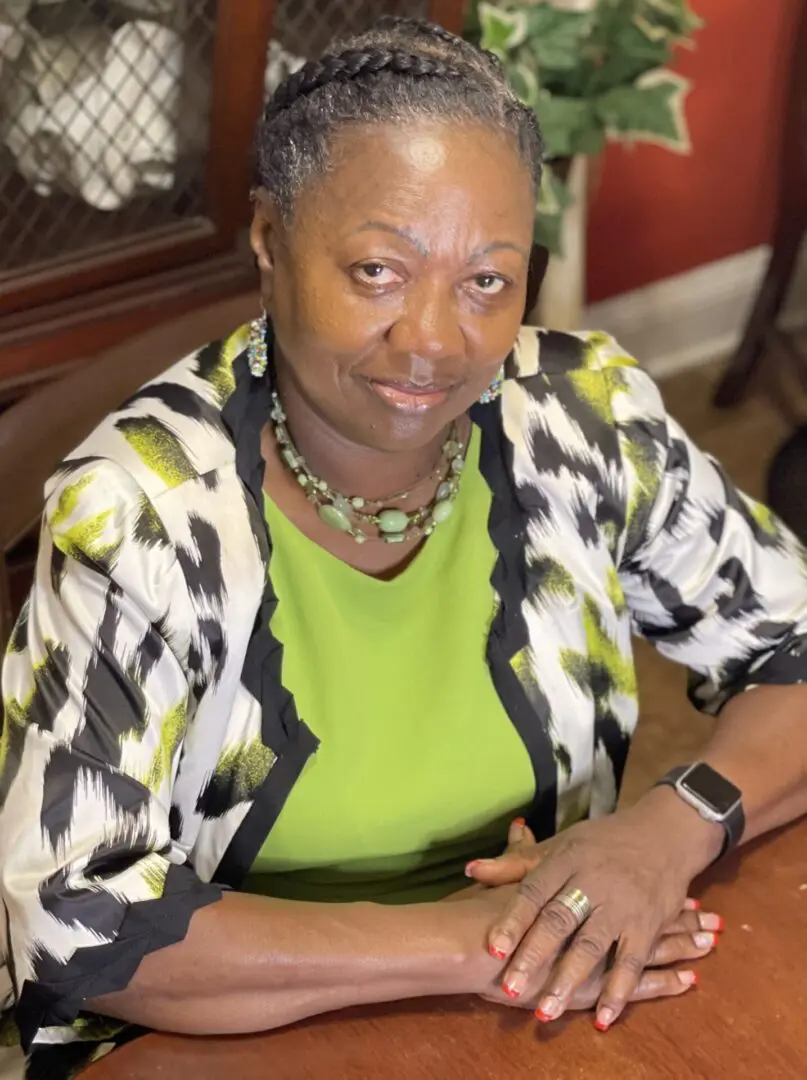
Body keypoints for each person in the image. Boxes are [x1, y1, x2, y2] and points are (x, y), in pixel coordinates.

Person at [2, 15, 807, 1077]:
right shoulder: (142, 511)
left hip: (533, 1019)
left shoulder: (581, 416)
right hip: (230, 1039)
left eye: (488, 280)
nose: (436, 340)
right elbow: (77, 927)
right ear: (269, 240)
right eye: (379, 269)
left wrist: (675, 825)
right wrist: (471, 941)